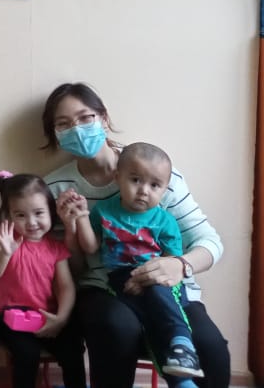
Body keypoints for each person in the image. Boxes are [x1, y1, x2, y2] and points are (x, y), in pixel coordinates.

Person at [42, 82, 229, 388]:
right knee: (116, 328)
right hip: (104, 287)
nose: (76, 130)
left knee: (211, 350)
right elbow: (73, 266)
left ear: (103, 118)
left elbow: (210, 242)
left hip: (168, 284)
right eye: (63, 124)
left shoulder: (158, 172)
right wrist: (73, 226)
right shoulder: (56, 188)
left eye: (85, 118)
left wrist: (179, 265)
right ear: (55, 134)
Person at [64, 143, 203, 383]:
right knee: (147, 321)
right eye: (136, 180)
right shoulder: (105, 211)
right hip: (121, 279)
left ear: (165, 189)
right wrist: (83, 217)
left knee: (159, 303)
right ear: (117, 177)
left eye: (154, 185)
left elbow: (172, 261)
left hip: (158, 276)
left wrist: (147, 280)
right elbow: (91, 247)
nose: (143, 191)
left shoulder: (164, 220)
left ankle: (183, 346)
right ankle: (182, 379)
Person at [0, 173, 85, 388]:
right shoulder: (4, 240)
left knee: (73, 349)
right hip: (10, 318)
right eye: (20, 215)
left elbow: (66, 287)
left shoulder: (55, 247)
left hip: (47, 316)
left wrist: (61, 318)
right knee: (27, 354)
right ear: (9, 217)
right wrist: (5, 254)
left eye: (38, 213)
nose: (31, 222)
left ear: (51, 212)